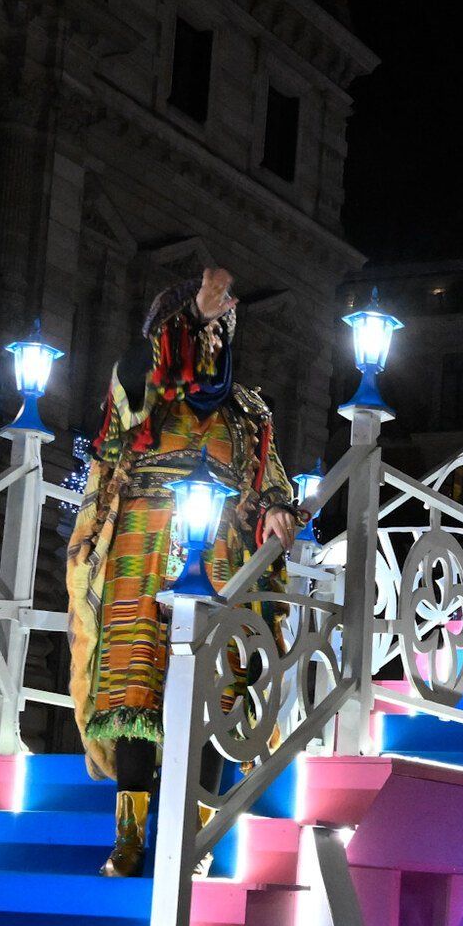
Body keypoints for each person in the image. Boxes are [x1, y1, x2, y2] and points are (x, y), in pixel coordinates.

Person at [65, 267, 305, 875]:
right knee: (135, 693)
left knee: (213, 693)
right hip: (141, 556)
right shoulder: (145, 391)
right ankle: (128, 838)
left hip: (220, 560)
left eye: (222, 328)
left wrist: (277, 506)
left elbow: (269, 478)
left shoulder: (248, 412)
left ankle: (193, 838)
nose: (213, 340)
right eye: (202, 327)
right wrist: (189, 321)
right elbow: (130, 381)